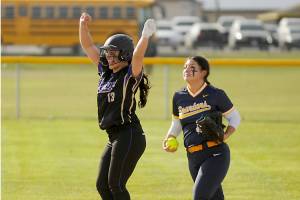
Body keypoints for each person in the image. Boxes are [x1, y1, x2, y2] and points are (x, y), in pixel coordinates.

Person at [79, 12, 156, 200]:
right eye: (108, 53)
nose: (109, 57)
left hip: (129, 134)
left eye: (113, 53)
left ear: (125, 54)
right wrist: (83, 25)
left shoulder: (129, 75)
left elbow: (138, 57)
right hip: (113, 135)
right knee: (102, 186)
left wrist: (145, 35)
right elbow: (88, 46)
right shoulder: (106, 72)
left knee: (116, 184)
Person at [163, 56, 241, 200]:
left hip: (215, 154)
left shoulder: (215, 94)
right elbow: (177, 122)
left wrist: (226, 135)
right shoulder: (179, 96)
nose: (187, 69)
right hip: (193, 156)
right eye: (185, 67)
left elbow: (235, 117)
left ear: (203, 72)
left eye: (192, 67)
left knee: (200, 196)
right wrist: (170, 137)